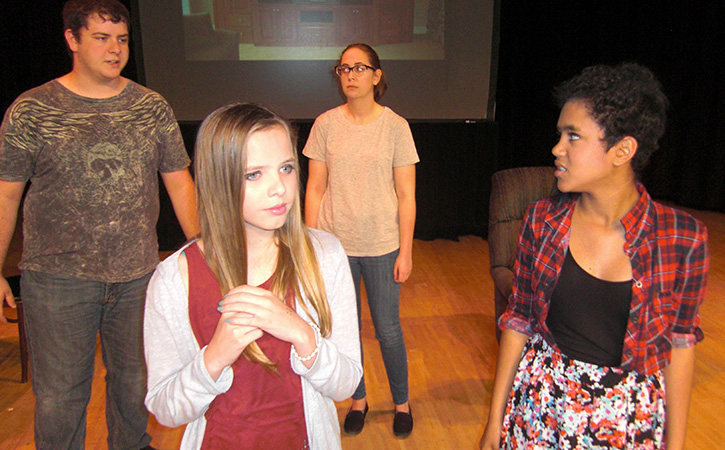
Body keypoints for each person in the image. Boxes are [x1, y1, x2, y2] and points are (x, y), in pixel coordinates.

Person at [479, 63, 709, 450]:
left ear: (622, 150)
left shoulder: (682, 239)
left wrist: (676, 444)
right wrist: (495, 422)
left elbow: (680, 345)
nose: (557, 148)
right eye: (560, 135)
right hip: (541, 406)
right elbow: (518, 321)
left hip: (626, 420)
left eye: (573, 136)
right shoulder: (542, 220)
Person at [0, 0, 197, 448]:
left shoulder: (151, 107)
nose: (115, 50)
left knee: (134, 384)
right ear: (72, 40)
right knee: (60, 397)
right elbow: (6, 195)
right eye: (102, 38)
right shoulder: (32, 110)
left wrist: (204, 250)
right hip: (57, 280)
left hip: (137, 276)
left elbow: (180, 185)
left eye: (122, 39)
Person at [143, 102, 362, 449]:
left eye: (286, 168)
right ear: (219, 180)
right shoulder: (174, 279)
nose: (279, 188)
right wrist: (214, 357)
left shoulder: (324, 255)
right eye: (254, 174)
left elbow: (345, 384)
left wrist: (302, 335)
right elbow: (166, 410)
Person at [303, 42, 419, 438]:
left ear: (376, 75)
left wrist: (406, 251)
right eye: (344, 68)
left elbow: (406, 194)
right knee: (345, 331)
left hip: (383, 245)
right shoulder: (325, 124)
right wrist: (311, 244)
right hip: (335, 247)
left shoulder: (396, 127)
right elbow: (314, 188)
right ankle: (359, 399)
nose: (350, 75)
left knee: (388, 329)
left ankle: (401, 403)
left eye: (359, 68)